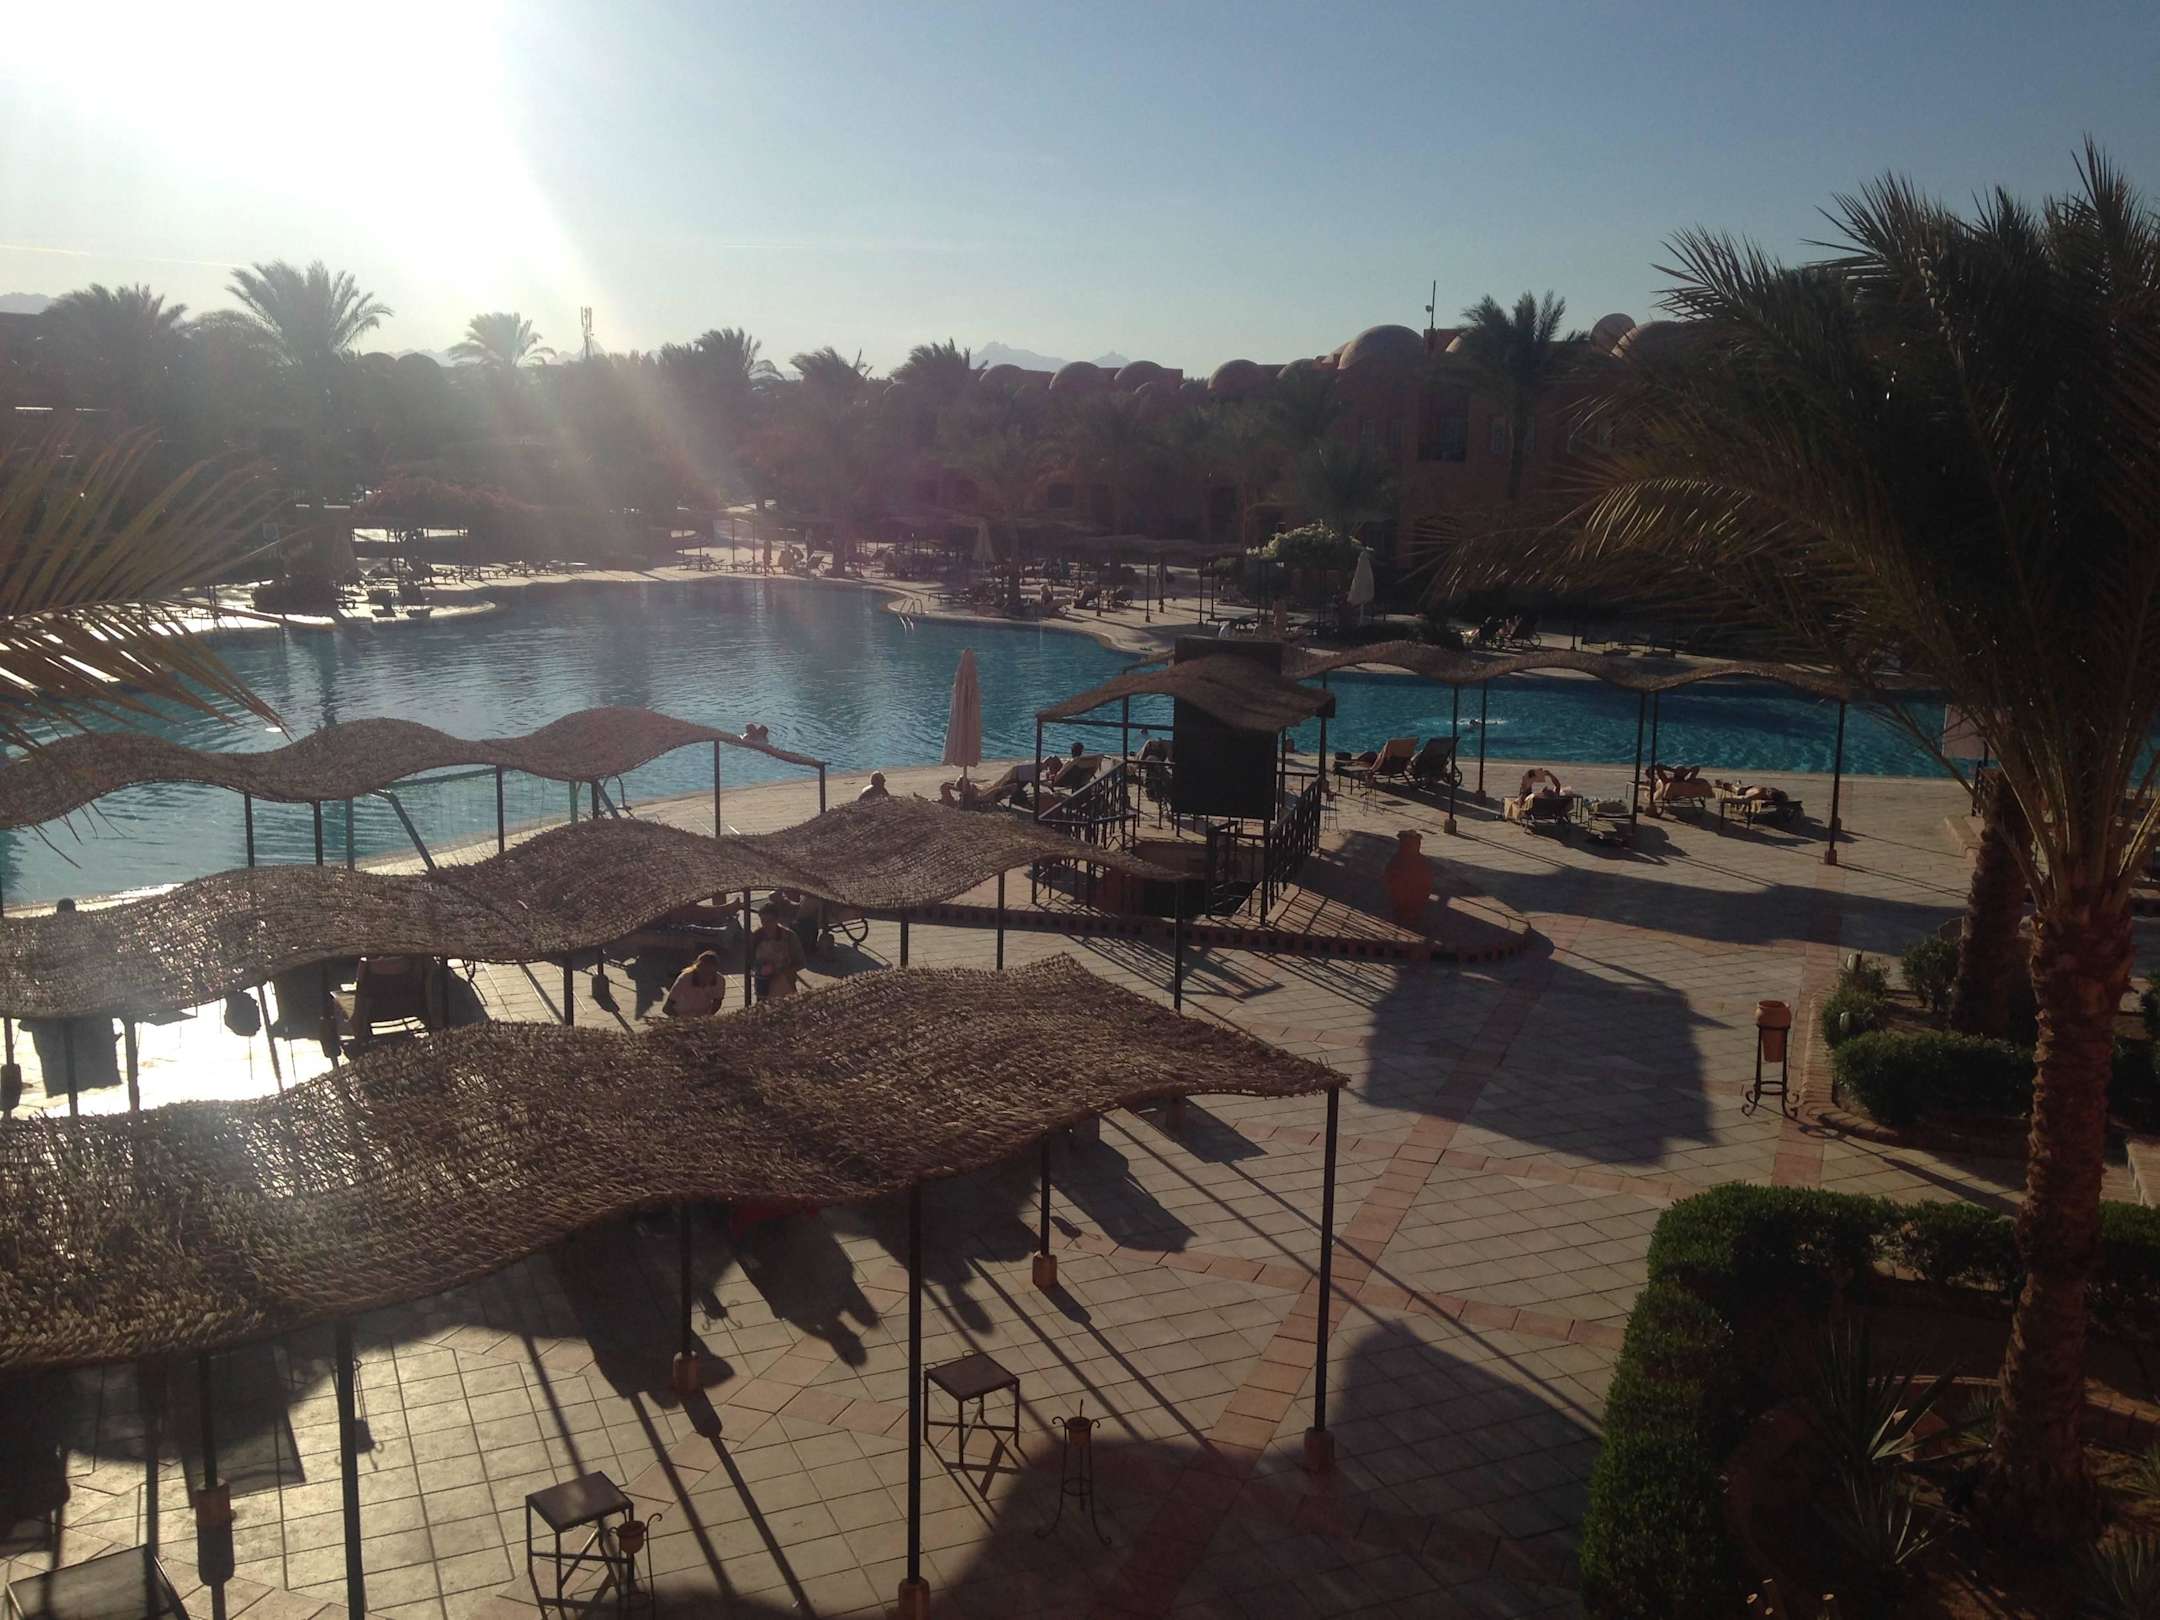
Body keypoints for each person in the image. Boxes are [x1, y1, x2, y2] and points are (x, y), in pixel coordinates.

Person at [751, 898, 807, 1002]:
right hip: (763, 983)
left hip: (785, 982)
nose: (766, 924)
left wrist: (783, 972)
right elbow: (749, 961)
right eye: (763, 921)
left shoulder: (789, 937)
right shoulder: (756, 936)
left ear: (777, 920)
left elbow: (801, 962)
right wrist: (760, 968)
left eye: (769, 921)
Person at [661, 951, 728, 1017]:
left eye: (710, 973)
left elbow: (717, 1001)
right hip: (681, 1014)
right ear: (697, 969)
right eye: (703, 972)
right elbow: (667, 1008)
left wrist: (708, 1015)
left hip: (703, 1016)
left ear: (715, 970)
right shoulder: (684, 979)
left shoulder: (720, 980)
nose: (706, 977)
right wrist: (683, 1020)